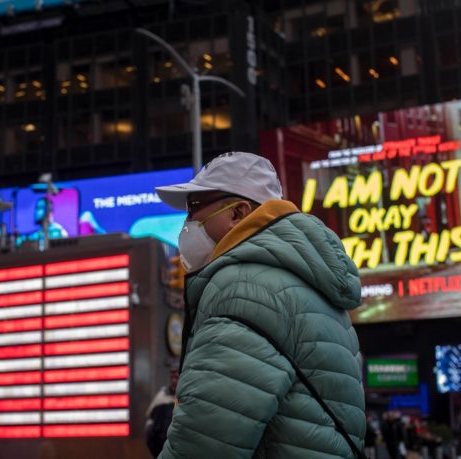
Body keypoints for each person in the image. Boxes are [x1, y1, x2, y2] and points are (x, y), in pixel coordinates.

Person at [154, 152, 365, 458]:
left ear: (239, 212)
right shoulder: (302, 282)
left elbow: (204, 441)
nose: (189, 222)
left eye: (195, 207)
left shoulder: (244, 288)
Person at [145, 369, 179, 457]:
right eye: (172, 377)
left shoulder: (186, 396)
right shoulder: (161, 397)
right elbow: (150, 421)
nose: (174, 380)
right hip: (161, 448)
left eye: (176, 377)